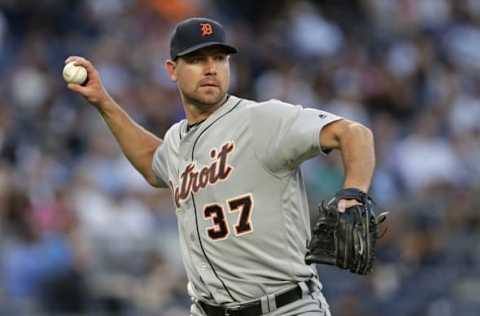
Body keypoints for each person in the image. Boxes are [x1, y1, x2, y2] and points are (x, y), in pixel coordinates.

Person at [66, 17, 375, 316]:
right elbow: (152, 162)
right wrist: (103, 102)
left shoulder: (262, 119)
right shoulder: (176, 141)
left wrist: (353, 192)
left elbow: (353, 134)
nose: (211, 68)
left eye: (219, 58)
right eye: (198, 59)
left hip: (286, 307)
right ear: (172, 70)